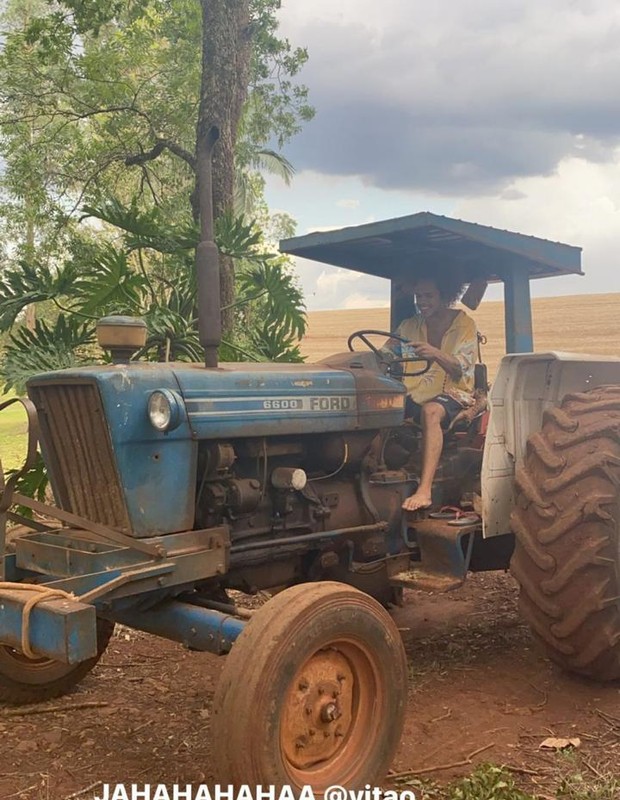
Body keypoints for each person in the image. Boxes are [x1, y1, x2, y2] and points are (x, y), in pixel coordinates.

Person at [383, 275, 478, 512]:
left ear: (445, 295)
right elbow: (385, 353)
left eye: (428, 296)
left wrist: (435, 353)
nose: (422, 301)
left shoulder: (463, 324)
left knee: (431, 411)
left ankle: (424, 490)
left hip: (455, 393)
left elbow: (461, 368)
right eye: (418, 296)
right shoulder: (409, 326)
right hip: (414, 391)